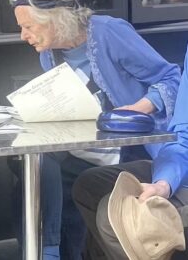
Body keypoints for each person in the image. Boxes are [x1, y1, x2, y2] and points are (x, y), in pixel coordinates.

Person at [9, 0, 181, 260]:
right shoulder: (49, 54)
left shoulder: (107, 32)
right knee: (30, 172)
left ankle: (47, 252)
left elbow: (171, 77)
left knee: (46, 173)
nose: (22, 35)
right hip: (88, 147)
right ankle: (44, 250)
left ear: (54, 18)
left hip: (130, 148)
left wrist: (142, 106)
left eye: (27, 26)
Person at [72, 45, 188, 260]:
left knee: (116, 214)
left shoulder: (107, 31)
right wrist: (163, 184)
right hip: (183, 175)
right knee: (91, 185)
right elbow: (184, 134)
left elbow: (167, 77)